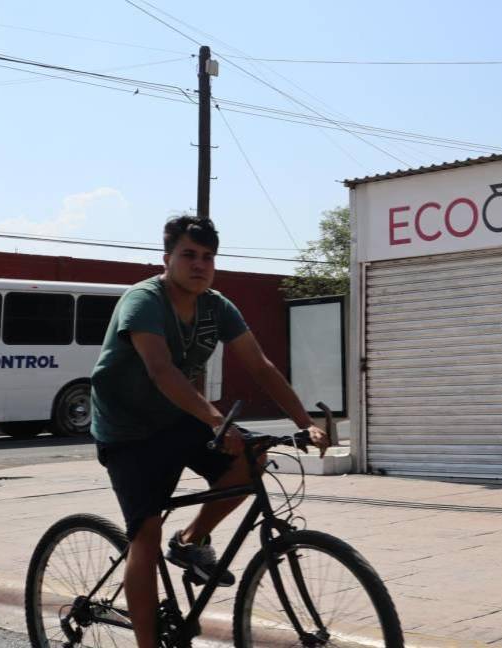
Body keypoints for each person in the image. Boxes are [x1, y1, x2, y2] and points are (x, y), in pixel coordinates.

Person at [90, 215, 330, 648]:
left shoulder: (217, 306)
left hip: (177, 416)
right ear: (167, 259)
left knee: (252, 459)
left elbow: (260, 366)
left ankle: (191, 540)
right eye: (189, 255)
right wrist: (216, 419)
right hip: (127, 430)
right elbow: (161, 371)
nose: (200, 265)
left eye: (208, 257)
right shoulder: (144, 301)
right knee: (145, 534)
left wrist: (304, 422)